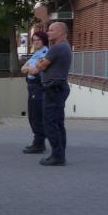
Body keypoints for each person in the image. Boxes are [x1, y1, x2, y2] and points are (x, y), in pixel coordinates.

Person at [34, 22, 72, 166]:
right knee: (58, 122)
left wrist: (41, 63)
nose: (48, 33)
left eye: (51, 30)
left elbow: (40, 66)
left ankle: (57, 156)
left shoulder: (57, 48)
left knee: (50, 122)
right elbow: (43, 64)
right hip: (58, 87)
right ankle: (60, 154)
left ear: (60, 32)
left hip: (53, 89)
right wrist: (42, 63)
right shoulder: (65, 46)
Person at [20, 32, 49, 154]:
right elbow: (23, 69)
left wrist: (29, 69)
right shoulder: (36, 53)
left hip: (38, 87)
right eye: (34, 40)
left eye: (38, 40)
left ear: (44, 40)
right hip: (32, 87)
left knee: (36, 115)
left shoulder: (45, 53)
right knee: (32, 114)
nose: (35, 42)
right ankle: (38, 142)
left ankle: (39, 143)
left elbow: (35, 71)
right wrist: (29, 69)